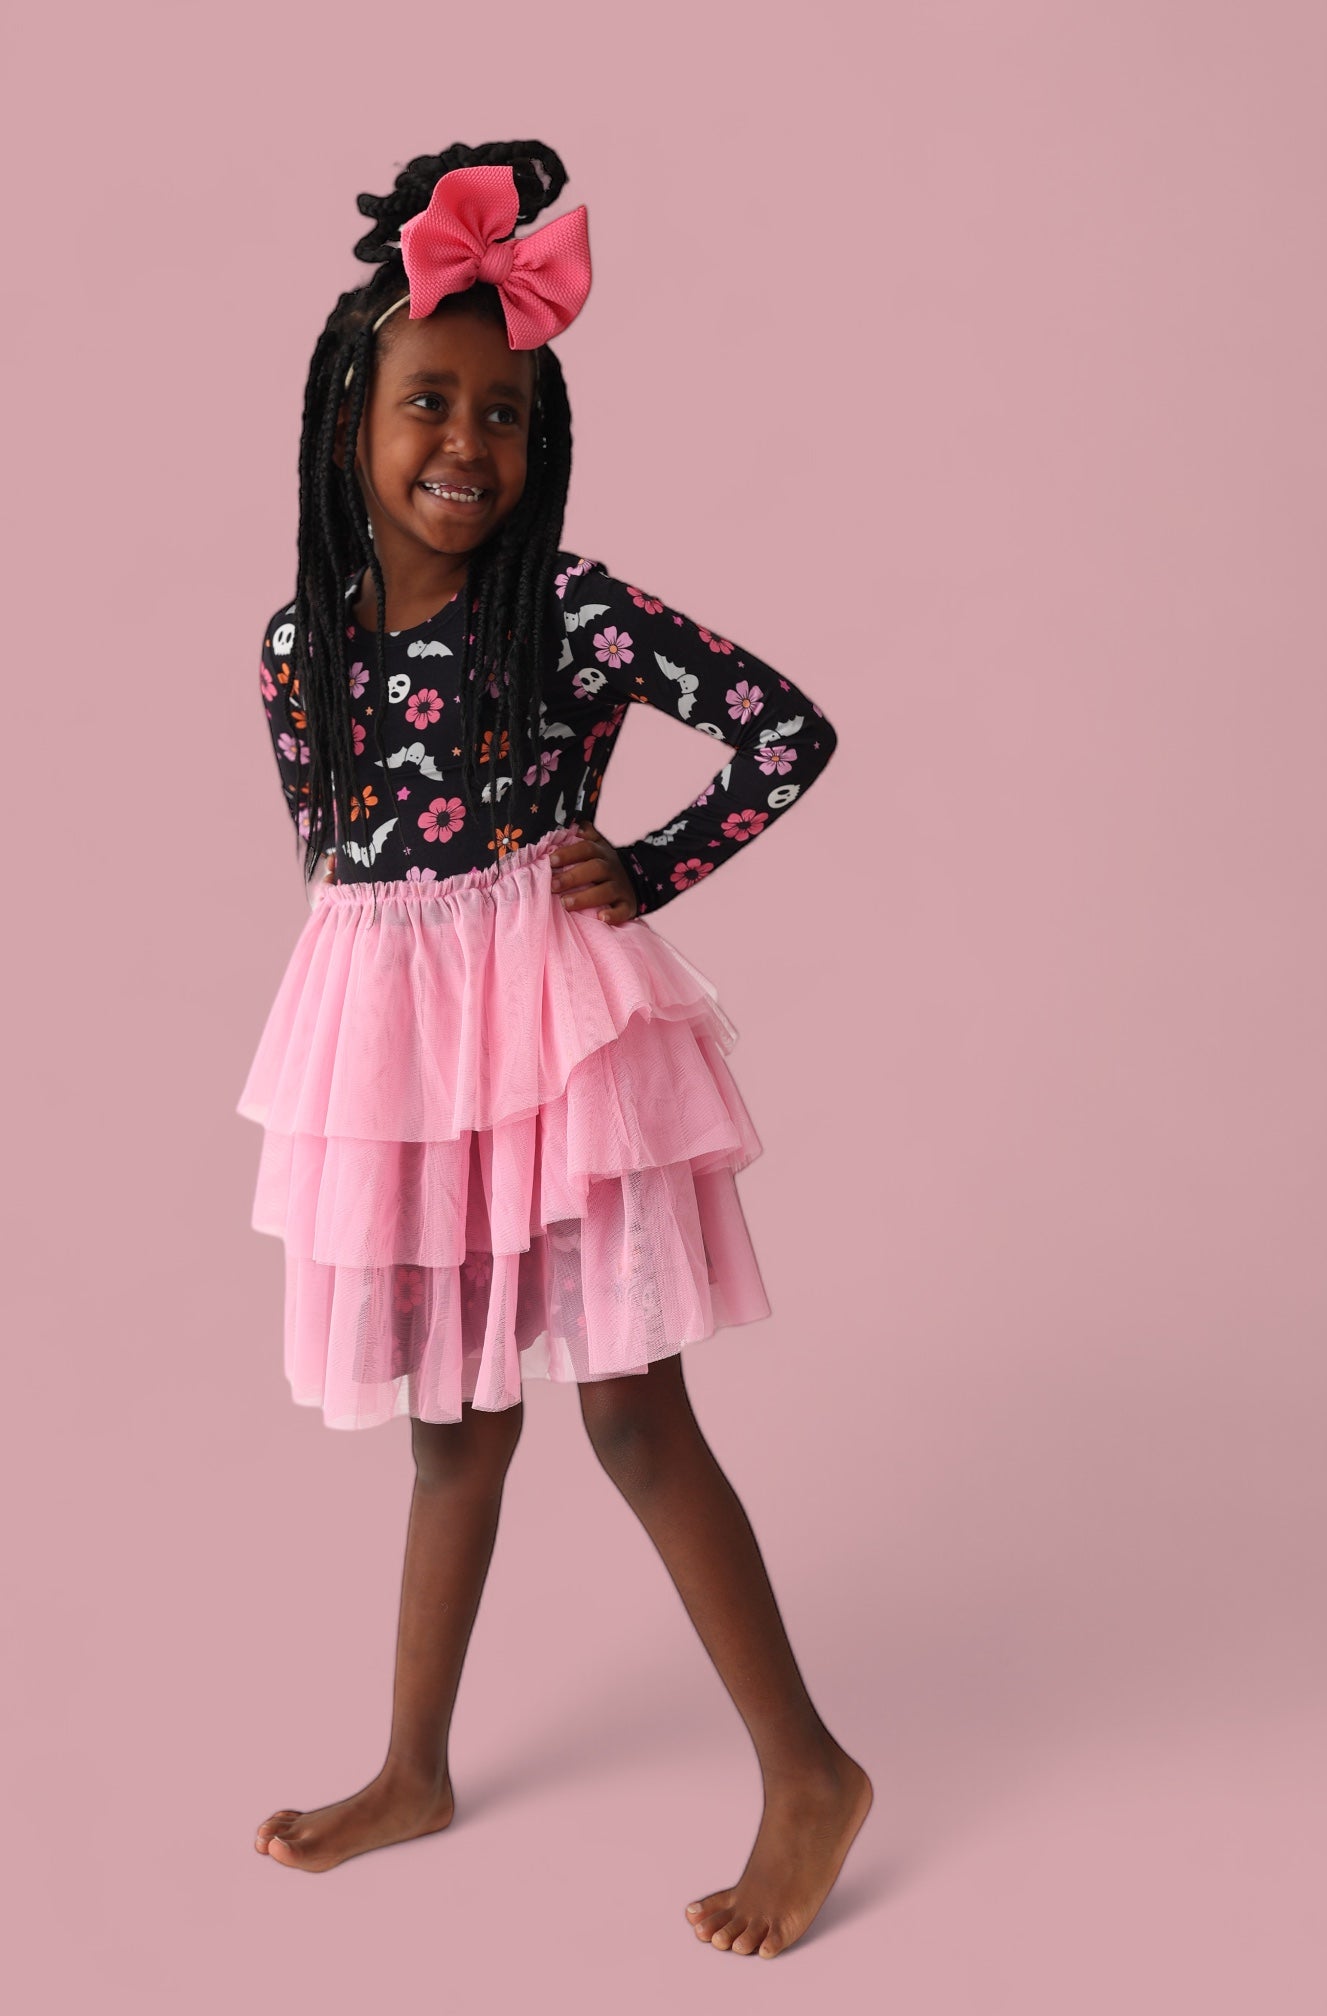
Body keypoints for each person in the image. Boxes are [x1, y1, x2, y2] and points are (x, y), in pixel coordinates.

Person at [237, 140, 873, 1959]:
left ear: (545, 443)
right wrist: (387, 1030)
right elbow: (339, 859)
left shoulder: (571, 608)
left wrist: (646, 865)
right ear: (346, 426)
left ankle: (811, 1771)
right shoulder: (296, 646)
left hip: (553, 1031)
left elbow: (783, 729)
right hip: (402, 1048)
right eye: (430, 404)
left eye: (506, 415)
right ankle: (412, 1770)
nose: (469, 444)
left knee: (630, 1411)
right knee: (450, 1429)